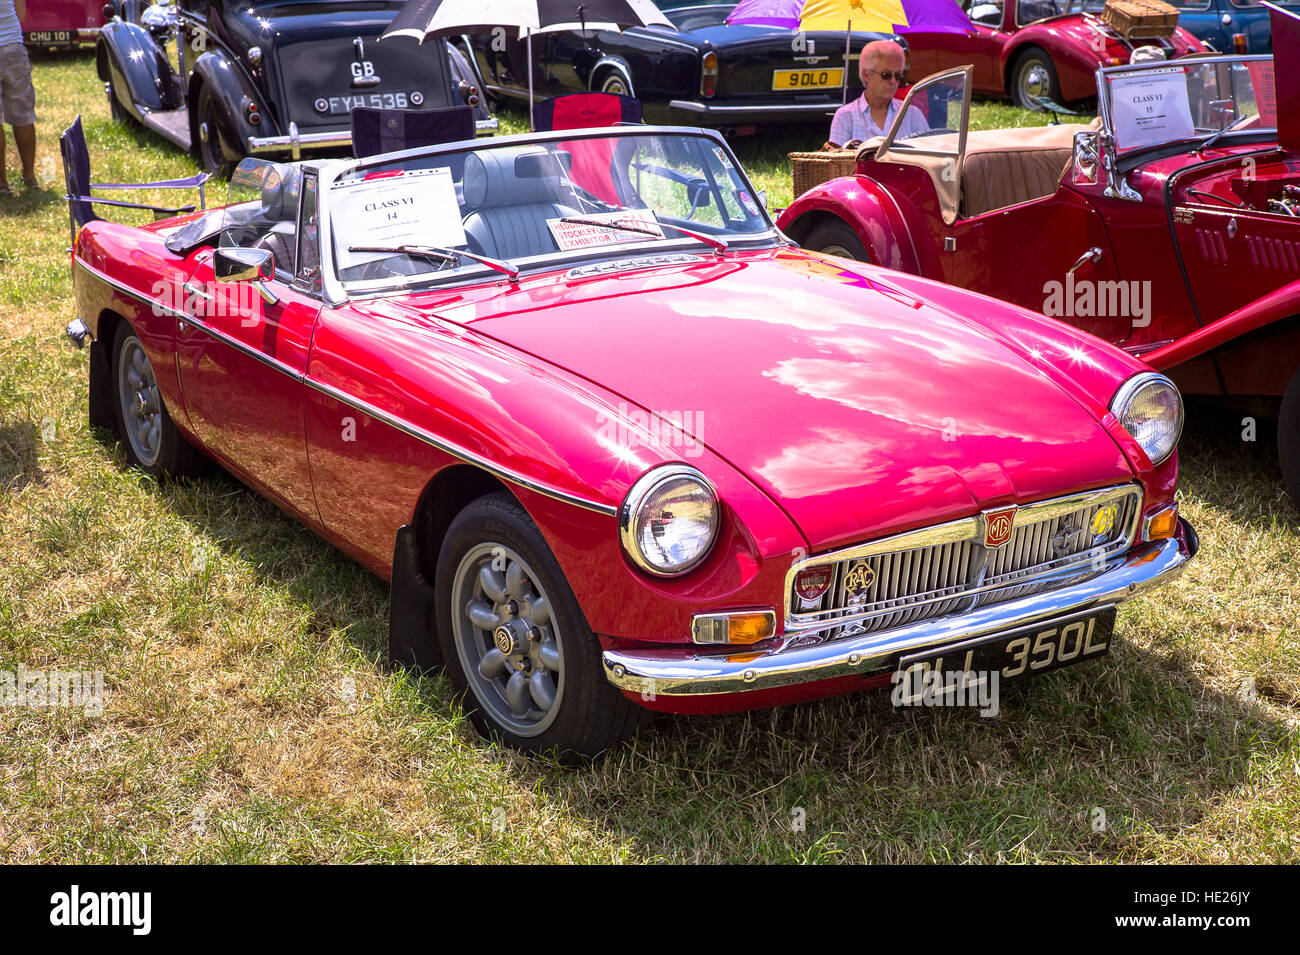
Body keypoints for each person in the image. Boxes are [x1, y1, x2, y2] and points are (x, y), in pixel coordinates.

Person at [829, 40, 929, 148]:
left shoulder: (913, 115)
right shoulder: (845, 116)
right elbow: (836, 162)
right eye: (886, 75)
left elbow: (929, 157)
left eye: (898, 75)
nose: (893, 81)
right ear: (866, 74)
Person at [0, 0, 37, 196]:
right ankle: (29, 176)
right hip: (12, 47)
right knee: (23, 116)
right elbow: (21, 14)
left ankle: (2, 184)